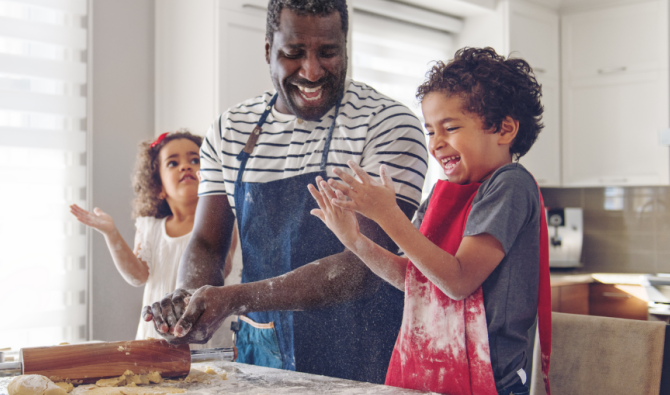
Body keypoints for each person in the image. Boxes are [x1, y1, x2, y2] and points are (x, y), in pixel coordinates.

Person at [143, 0, 429, 383]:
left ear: (345, 46)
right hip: (262, 359)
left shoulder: (387, 124)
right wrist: (187, 300)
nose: (311, 71)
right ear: (267, 50)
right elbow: (208, 244)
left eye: (328, 52)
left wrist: (234, 297)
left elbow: (363, 264)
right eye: (293, 53)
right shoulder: (229, 130)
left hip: (365, 356)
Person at [309, 47, 551, 395]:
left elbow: (459, 280)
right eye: (430, 131)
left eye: (450, 128)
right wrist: (355, 241)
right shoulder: (442, 196)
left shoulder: (510, 184)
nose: (436, 144)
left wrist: (389, 215)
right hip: (434, 375)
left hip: (492, 383)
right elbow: (414, 280)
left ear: (504, 129)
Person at [69, 130, 242, 349]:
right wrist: (111, 233)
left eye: (195, 160)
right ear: (158, 187)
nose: (186, 166)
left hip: (204, 337)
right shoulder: (149, 227)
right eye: (173, 163)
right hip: (157, 335)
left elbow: (221, 269)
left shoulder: (225, 219)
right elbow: (138, 275)